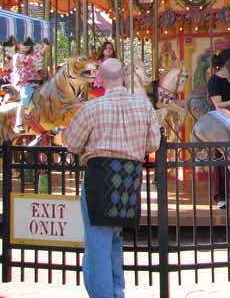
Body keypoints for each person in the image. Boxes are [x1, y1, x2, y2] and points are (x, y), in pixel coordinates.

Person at [62, 58, 161, 298]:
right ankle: (116, 291)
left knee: (98, 244)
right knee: (115, 239)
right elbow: (153, 143)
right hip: (128, 179)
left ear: (101, 79)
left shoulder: (91, 108)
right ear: (124, 77)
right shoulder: (144, 106)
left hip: (100, 177)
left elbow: (72, 143)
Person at [12, 37, 49, 134]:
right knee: (25, 98)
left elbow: (34, 60)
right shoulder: (17, 56)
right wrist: (44, 48)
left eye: (28, 45)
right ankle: (18, 123)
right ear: (18, 45)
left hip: (35, 81)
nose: (26, 46)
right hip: (24, 82)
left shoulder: (30, 56)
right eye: (24, 44)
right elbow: (31, 59)